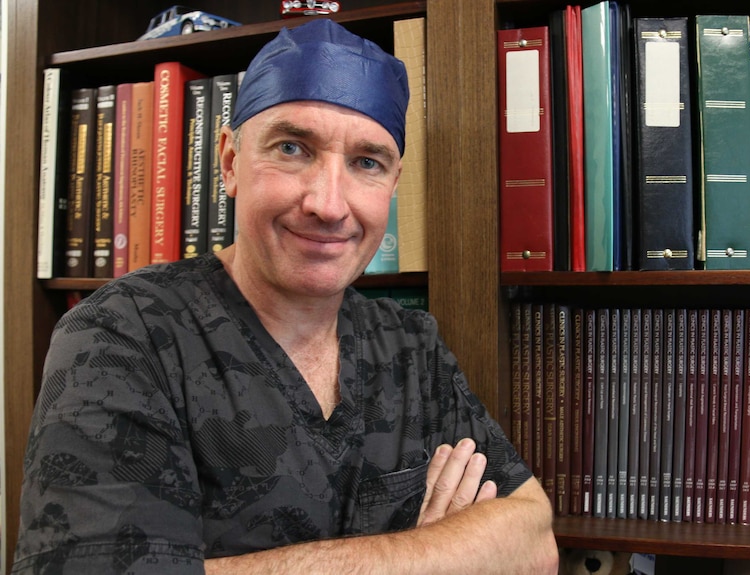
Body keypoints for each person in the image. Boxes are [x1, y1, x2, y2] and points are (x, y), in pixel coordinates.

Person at [12, 20, 558, 574]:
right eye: (293, 148)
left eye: (367, 163)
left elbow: (534, 541)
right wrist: (439, 551)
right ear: (229, 162)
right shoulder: (124, 334)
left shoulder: (410, 346)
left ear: (392, 186)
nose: (328, 203)